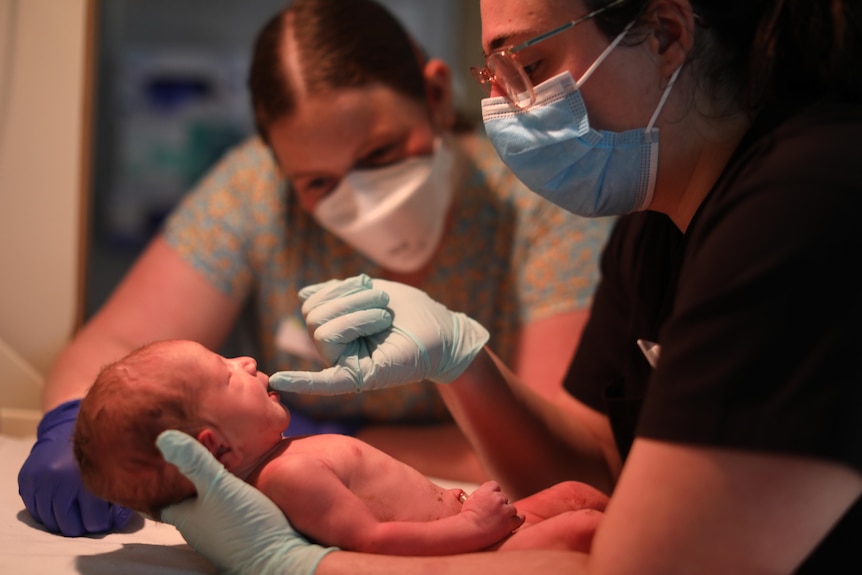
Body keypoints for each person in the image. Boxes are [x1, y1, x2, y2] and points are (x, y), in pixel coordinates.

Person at [146, 0, 862, 573]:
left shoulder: (803, 204)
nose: (507, 107)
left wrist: (307, 565)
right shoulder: (654, 225)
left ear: (665, 32)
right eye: (493, 74)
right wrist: (462, 363)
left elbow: (632, 564)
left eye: (530, 63)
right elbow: (598, 464)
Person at [17, 0, 613, 537]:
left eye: (379, 155)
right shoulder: (254, 190)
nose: (360, 201)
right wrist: (76, 429)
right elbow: (116, 347)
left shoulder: (539, 208)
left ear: (434, 97)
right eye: (318, 183)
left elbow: (559, 447)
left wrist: (330, 447)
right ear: (280, 167)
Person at [73, 339, 608, 556]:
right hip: (469, 546)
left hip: (471, 519)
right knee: (583, 531)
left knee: (578, 495)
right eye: (226, 376)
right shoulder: (287, 479)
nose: (246, 363)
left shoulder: (285, 456)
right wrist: (471, 529)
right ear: (217, 448)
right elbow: (371, 541)